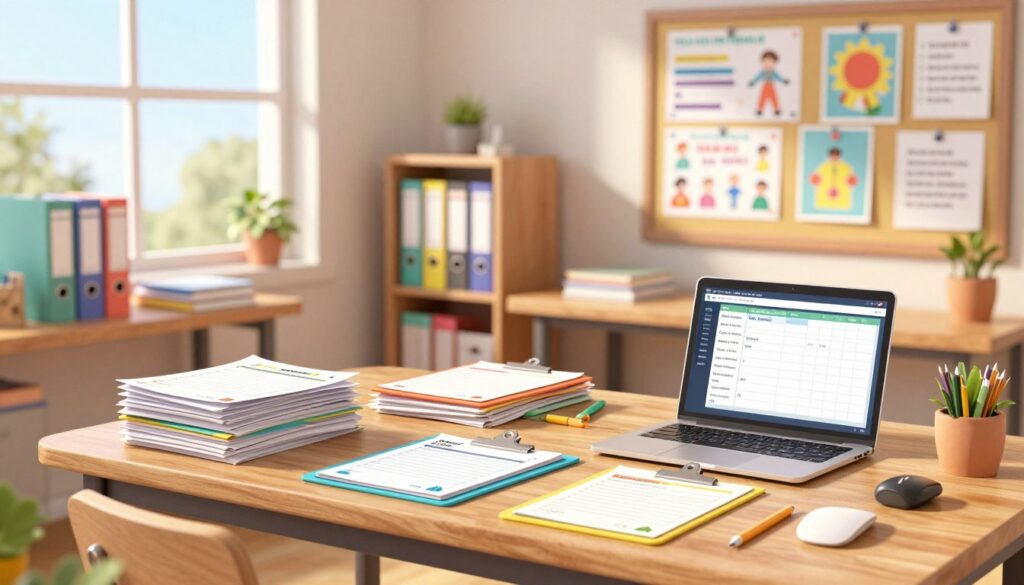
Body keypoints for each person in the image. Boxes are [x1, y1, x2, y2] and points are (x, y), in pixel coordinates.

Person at [748, 50, 790, 117]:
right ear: (762, 62)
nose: (768, 63)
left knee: (774, 97)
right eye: (765, 61)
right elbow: (758, 77)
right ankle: (760, 109)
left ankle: (776, 109)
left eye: (770, 61)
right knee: (762, 97)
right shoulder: (762, 72)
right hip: (765, 85)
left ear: (775, 63)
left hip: (771, 85)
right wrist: (753, 82)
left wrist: (783, 81)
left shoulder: (773, 72)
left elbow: (778, 77)